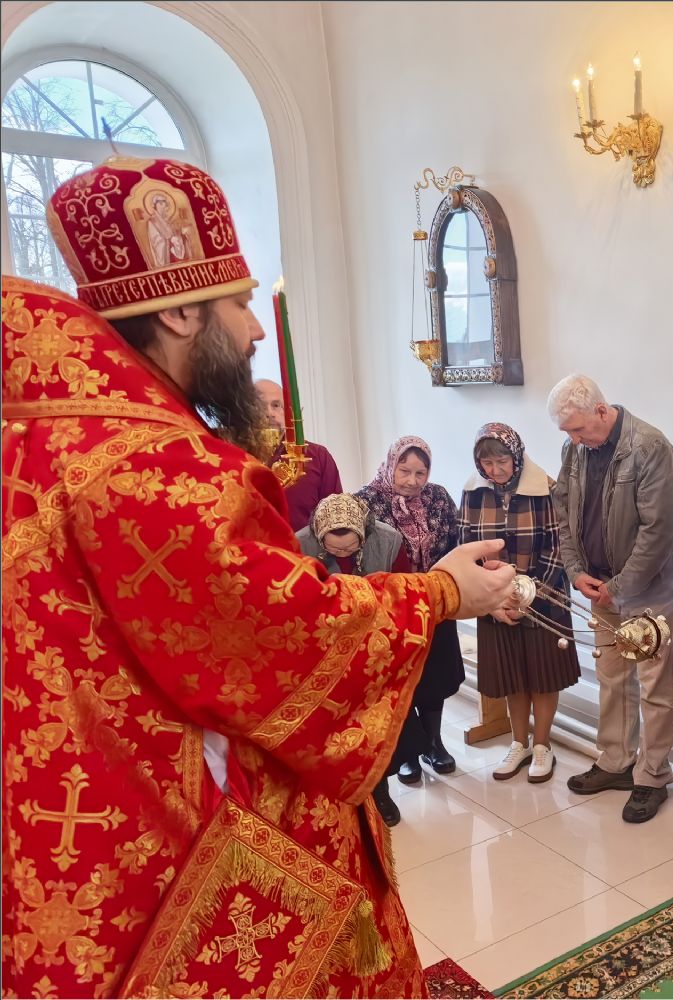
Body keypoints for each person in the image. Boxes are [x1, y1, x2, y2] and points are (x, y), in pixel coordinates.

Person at [2, 156, 515, 998]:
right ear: (180, 311)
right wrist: (443, 592)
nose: (254, 332)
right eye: (240, 303)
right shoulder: (159, 466)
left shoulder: (37, 437)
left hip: (71, 817)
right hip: (181, 817)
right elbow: (286, 633)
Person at [548, 375, 673, 823]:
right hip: (599, 584)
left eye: (577, 429)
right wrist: (576, 571)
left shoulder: (650, 447)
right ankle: (616, 761)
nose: (573, 440)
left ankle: (653, 775)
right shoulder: (574, 450)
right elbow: (564, 514)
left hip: (647, 590)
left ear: (601, 410)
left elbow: (659, 531)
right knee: (613, 676)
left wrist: (620, 587)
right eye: (567, 432)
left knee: (655, 684)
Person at [459, 422, 581, 783]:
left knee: (542, 676)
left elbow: (558, 549)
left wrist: (528, 598)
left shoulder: (545, 488)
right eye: (487, 464)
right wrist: (494, 602)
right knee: (513, 675)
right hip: (494, 601)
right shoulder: (473, 493)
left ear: (516, 456)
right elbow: (466, 548)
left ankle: (542, 745)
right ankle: (519, 743)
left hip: (545, 598)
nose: (495, 471)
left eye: (502, 462)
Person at [296, 494, 412, 825]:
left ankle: (380, 791)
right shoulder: (299, 544)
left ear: (363, 533)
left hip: (375, 648)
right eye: (333, 549)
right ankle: (335, 802)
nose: (342, 554)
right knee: (331, 733)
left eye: (350, 548)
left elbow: (403, 592)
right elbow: (294, 599)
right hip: (325, 652)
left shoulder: (389, 540)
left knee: (375, 728)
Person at [358, 437, 466, 788]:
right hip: (392, 609)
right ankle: (406, 752)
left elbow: (455, 544)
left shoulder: (438, 497)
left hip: (434, 602)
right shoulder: (366, 502)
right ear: (391, 465)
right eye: (404, 471)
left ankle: (433, 743)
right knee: (400, 681)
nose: (412, 480)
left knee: (435, 677)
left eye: (420, 473)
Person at [254, 377, 344, 530]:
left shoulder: (317, 456)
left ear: (288, 412)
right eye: (259, 406)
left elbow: (335, 518)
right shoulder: (236, 459)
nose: (269, 413)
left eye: (276, 405)